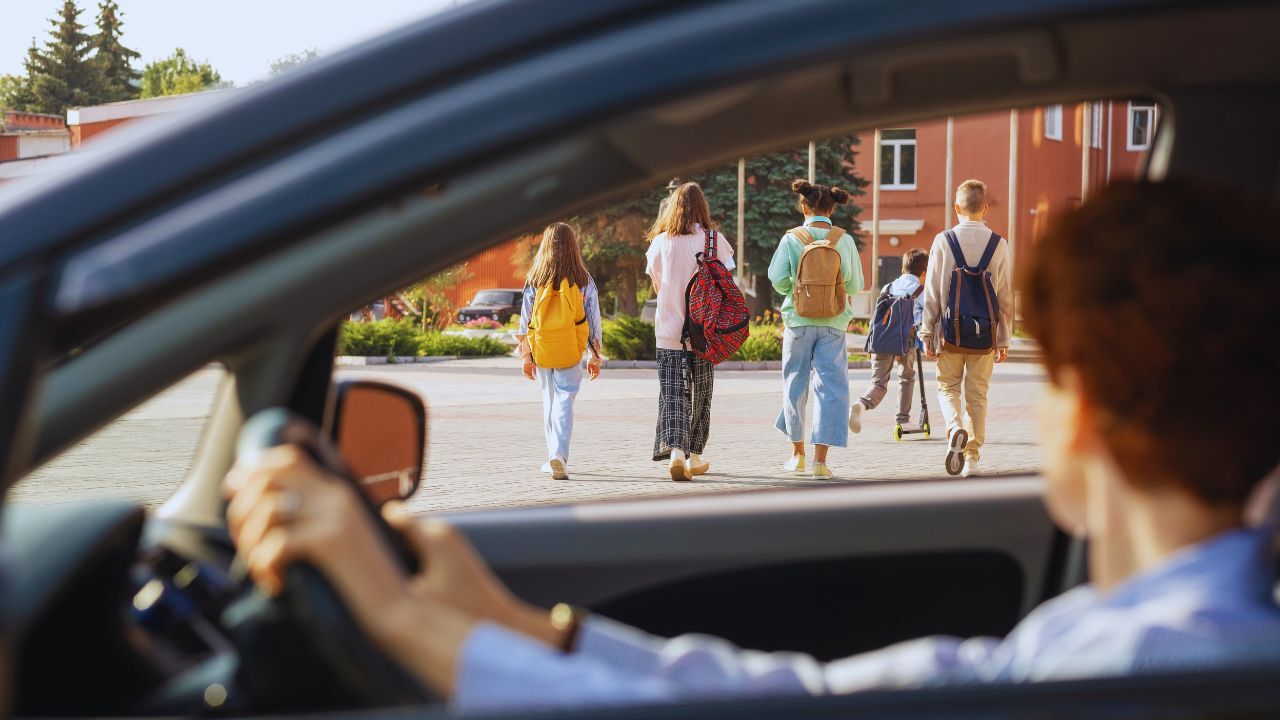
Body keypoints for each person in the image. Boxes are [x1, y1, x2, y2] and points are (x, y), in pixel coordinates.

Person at [224, 178, 1280, 715]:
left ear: (1081, 409)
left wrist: (406, 619)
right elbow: (803, 697)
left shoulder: (1135, 671)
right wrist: (508, 623)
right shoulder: (1134, 640)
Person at [767, 179, 864, 477]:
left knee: (795, 383)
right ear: (832, 207)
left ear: (803, 206)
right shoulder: (843, 240)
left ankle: (797, 455)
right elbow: (855, 285)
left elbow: (776, 278)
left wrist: (796, 290)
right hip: (834, 323)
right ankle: (821, 462)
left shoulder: (792, 238)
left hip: (798, 321)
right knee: (831, 388)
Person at [919, 179, 1013, 477]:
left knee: (947, 387)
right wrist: (1004, 338)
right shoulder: (1000, 244)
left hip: (950, 334)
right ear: (986, 208)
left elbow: (933, 291)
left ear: (956, 207)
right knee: (978, 395)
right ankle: (971, 458)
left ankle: (954, 428)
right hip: (985, 336)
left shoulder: (943, 241)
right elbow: (1005, 296)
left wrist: (926, 332)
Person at [643, 181, 736, 481]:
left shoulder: (660, 243)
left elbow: (656, 283)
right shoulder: (714, 240)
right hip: (705, 332)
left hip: (669, 330)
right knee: (702, 393)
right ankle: (695, 455)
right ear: (702, 207)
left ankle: (676, 454)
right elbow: (726, 281)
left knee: (672, 393)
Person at [516, 223, 603, 480]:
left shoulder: (535, 278)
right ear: (573, 247)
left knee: (549, 400)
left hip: (542, 347)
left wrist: (525, 356)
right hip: (570, 348)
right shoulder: (583, 279)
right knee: (565, 399)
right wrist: (595, 355)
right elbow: (593, 319)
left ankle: (552, 455)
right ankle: (559, 455)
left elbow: (525, 321)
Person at [850, 248, 928, 434]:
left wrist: (870, 343)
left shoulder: (888, 287)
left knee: (878, 384)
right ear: (924, 273)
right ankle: (903, 420)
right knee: (906, 378)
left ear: (903, 269)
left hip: (881, 340)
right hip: (905, 342)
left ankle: (861, 404)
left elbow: (875, 318)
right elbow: (927, 318)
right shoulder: (921, 290)